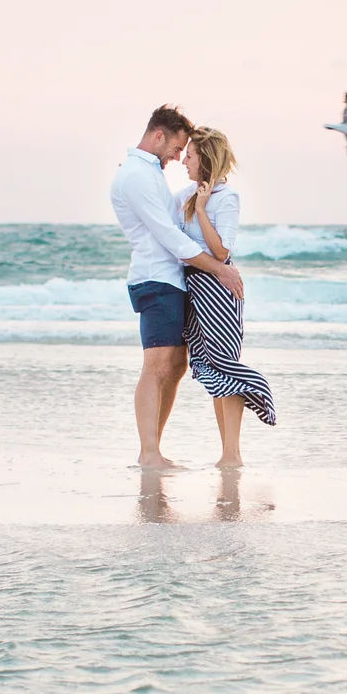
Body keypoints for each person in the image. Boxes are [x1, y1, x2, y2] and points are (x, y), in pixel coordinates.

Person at [108, 105, 244, 469]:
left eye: (187, 153)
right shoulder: (137, 175)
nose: (178, 157)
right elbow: (169, 235)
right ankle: (149, 452)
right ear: (158, 136)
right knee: (156, 366)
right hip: (156, 279)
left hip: (171, 280)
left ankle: (153, 448)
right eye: (177, 148)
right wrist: (219, 269)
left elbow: (178, 224)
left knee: (176, 365)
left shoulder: (147, 173)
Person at [179, 126, 276, 467]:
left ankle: (232, 454)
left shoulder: (226, 198)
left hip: (219, 290)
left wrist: (201, 210)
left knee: (226, 366)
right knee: (212, 370)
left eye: (190, 156)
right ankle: (228, 454)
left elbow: (221, 252)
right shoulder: (186, 194)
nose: (184, 162)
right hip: (195, 289)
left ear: (206, 159)